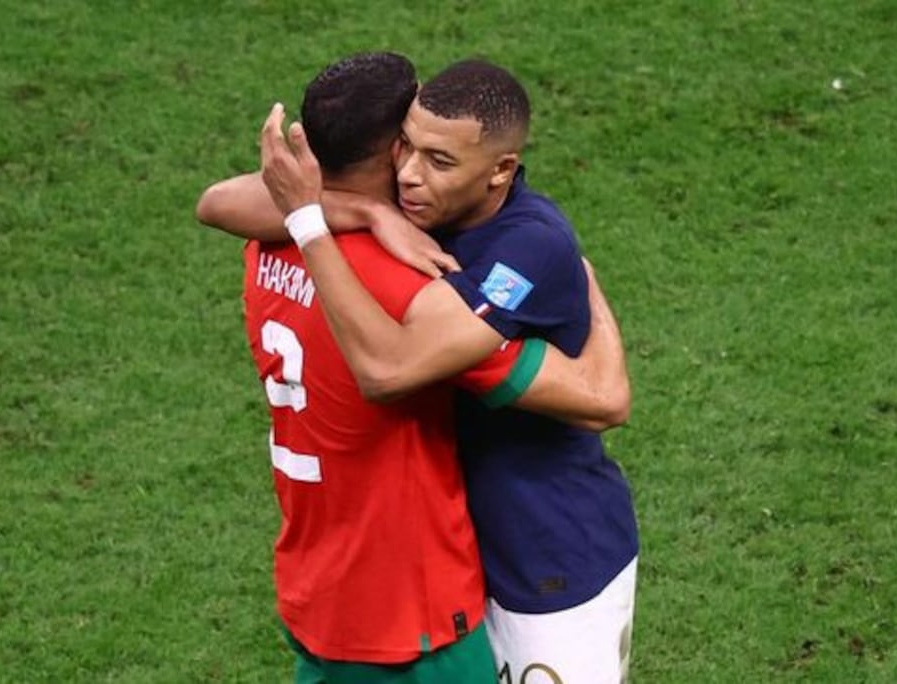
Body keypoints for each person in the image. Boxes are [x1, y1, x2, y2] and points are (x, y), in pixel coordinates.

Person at [215, 52, 630, 683]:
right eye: (406, 148)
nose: (411, 174)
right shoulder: (410, 241)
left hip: (545, 559)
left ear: (499, 171)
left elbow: (603, 401)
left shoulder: (522, 249)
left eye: (438, 160)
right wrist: (363, 212)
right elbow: (220, 201)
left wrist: (589, 293)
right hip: (444, 566)